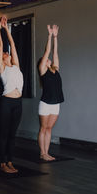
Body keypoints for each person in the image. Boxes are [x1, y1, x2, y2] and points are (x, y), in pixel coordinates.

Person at [0, 16, 23, 174]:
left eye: (8, 53)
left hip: (18, 103)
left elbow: (12, 44)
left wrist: (7, 28)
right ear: (3, 58)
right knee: (4, 134)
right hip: (6, 103)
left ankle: (10, 162)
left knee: (13, 135)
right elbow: (1, 44)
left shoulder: (16, 66)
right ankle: (2, 163)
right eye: (5, 53)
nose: (7, 52)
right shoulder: (2, 68)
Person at [37, 24, 63, 161]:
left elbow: (55, 53)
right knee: (43, 128)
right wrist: (49, 36)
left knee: (49, 129)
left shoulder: (55, 69)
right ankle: (42, 153)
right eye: (45, 59)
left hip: (56, 103)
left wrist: (56, 37)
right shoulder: (43, 71)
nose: (48, 58)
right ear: (42, 63)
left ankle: (47, 152)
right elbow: (48, 51)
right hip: (45, 104)